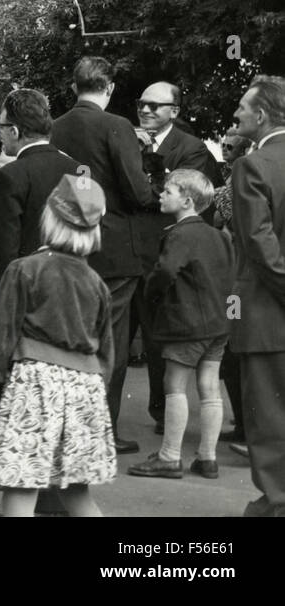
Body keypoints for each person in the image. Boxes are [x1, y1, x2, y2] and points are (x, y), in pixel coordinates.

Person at [0, 175, 117, 517]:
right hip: (86, 388)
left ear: (49, 218)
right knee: (77, 493)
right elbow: (107, 352)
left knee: (21, 485)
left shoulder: (25, 269)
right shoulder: (96, 283)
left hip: (35, 384)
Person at [50, 56, 155, 453]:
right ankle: (99, 431)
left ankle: (68, 427)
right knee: (110, 342)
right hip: (114, 249)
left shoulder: (55, 127)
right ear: (108, 87)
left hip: (68, 243)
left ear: (74, 86)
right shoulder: (117, 126)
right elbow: (136, 190)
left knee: (72, 337)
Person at [0, 89, 81, 413]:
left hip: (23, 296)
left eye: (0, 125)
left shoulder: (10, 176)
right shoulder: (76, 169)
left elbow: (1, 251)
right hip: (69, 290)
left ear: (14, 131)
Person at [128, 170, 234, 481]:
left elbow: (164, 272)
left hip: (185, 322)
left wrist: (151, 295)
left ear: (187, 201)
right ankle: (207, 457)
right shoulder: (220, 236)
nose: (160, 195)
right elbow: (232, 279)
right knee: (210, 388)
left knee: (174, 386)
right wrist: (232, 318)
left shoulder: (179, 234)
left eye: (168, 191)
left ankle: (170, 456)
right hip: (218, 324)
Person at [131, 81, 223, 432]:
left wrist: (146, 167)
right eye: (142, 103)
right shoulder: (130, 140)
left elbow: (173, 196)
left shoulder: (192, 148)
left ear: (175, 111)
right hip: (132, 253)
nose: (147, 110)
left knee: (160, 343)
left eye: (156, 105)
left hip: (168, 256)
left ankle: (162, 418)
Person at [228, 75, 285, 516]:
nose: (236, 114)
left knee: (268, 424)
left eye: (243, 109)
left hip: (268, 316)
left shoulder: (253, 166)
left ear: (262, 115)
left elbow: (260, 247)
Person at [213, 129, 251, 444]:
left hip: (237, 284)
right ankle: (242, 421)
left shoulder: (239, 175)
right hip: (235, 280)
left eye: (230, 145)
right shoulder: (235, 174)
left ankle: (244, 423)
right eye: (223, 144)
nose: (225, 148)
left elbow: (223, 213)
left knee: (232, 346)